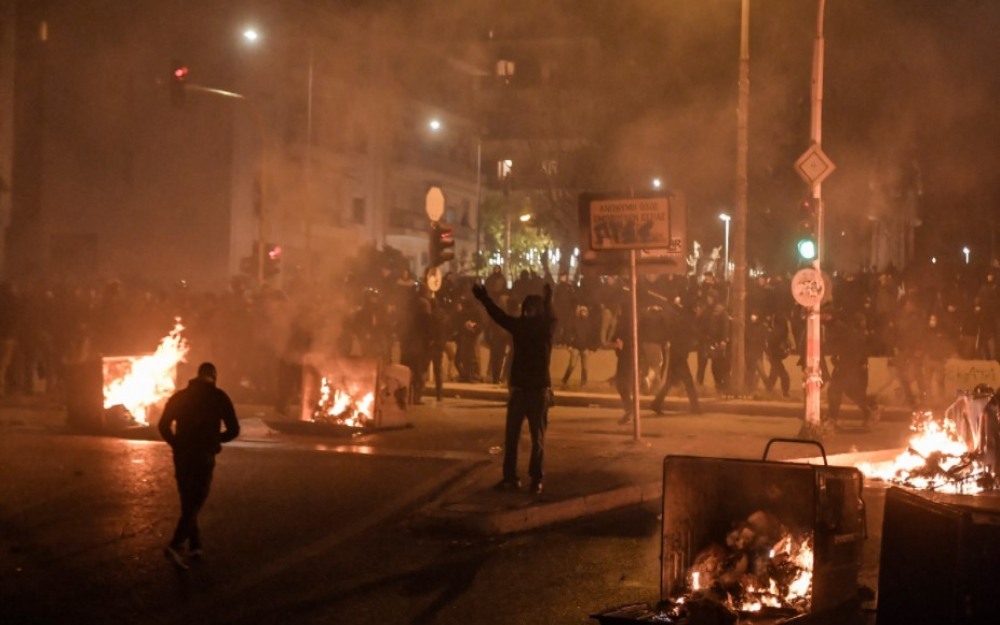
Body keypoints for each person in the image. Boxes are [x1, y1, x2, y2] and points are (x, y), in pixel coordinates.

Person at [471, 281, 556, 495]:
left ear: (537, 310)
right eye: (526, 308)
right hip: (522, 390)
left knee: (536, 438)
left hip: (536, 391)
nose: (527, 311)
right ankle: (514, 478)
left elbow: (501, 316)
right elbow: (499, 316)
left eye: (531, 308)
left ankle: (533, 478)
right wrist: (484, 299)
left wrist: (548, 300)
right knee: (514, 437)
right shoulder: (528, 327)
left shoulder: (543, 329)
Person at [158, 362, 240, 569]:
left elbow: (163, 425)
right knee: (198, 497)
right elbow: (234, 429)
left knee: (188, 498)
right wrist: (215, 440)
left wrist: (176, 443)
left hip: (183, 454)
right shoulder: (219, 397)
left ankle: (195, 545)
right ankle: (176, 544)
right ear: (214, 377)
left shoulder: (180, 396)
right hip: (203, 455)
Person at [650, 302, 702, 415]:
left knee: (670, 382)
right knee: (688, 382)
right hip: (680, 357)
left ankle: (656, 403)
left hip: (676, 356)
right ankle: (695, 407)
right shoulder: (687, 322)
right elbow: (696, 334)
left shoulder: (679, 321)